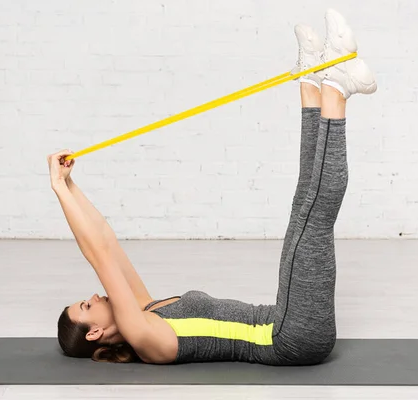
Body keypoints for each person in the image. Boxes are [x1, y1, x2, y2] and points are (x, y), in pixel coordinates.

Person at [48, 9, 377, 365]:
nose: (94, 297)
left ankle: (313, 82)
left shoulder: (145, 308)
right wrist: (58, 190)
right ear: (94, 333)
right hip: (293, 336)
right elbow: (96, 255)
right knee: (314, 212)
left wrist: (71, 184)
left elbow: (106, 241)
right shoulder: (146, 338)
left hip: (283, 319)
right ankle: (338, 89)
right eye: (86, 306)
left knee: (305, 199)